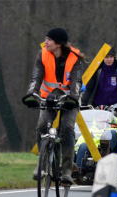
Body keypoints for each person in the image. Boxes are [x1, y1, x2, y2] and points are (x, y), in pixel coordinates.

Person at [22, 27, 85, 185]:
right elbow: (36, 77)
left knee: (67, 127)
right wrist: (31, 94)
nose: (46, 42)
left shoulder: (74, 58)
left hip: (69, 99)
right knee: (42, 125)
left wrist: (73, 98)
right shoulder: (42, 54)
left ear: (58, 44)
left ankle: (67, 170)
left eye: (49, 40)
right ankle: (42, 165)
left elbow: (76, 83)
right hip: (48, 98)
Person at [82, 46, 117, 113]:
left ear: (114, 57)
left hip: (116, 109)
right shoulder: (96, 70)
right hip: (97, 108)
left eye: (111, 57)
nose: (109, 59)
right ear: (103, 58)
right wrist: (83, 104)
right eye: (106, 57)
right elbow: (89, 88)